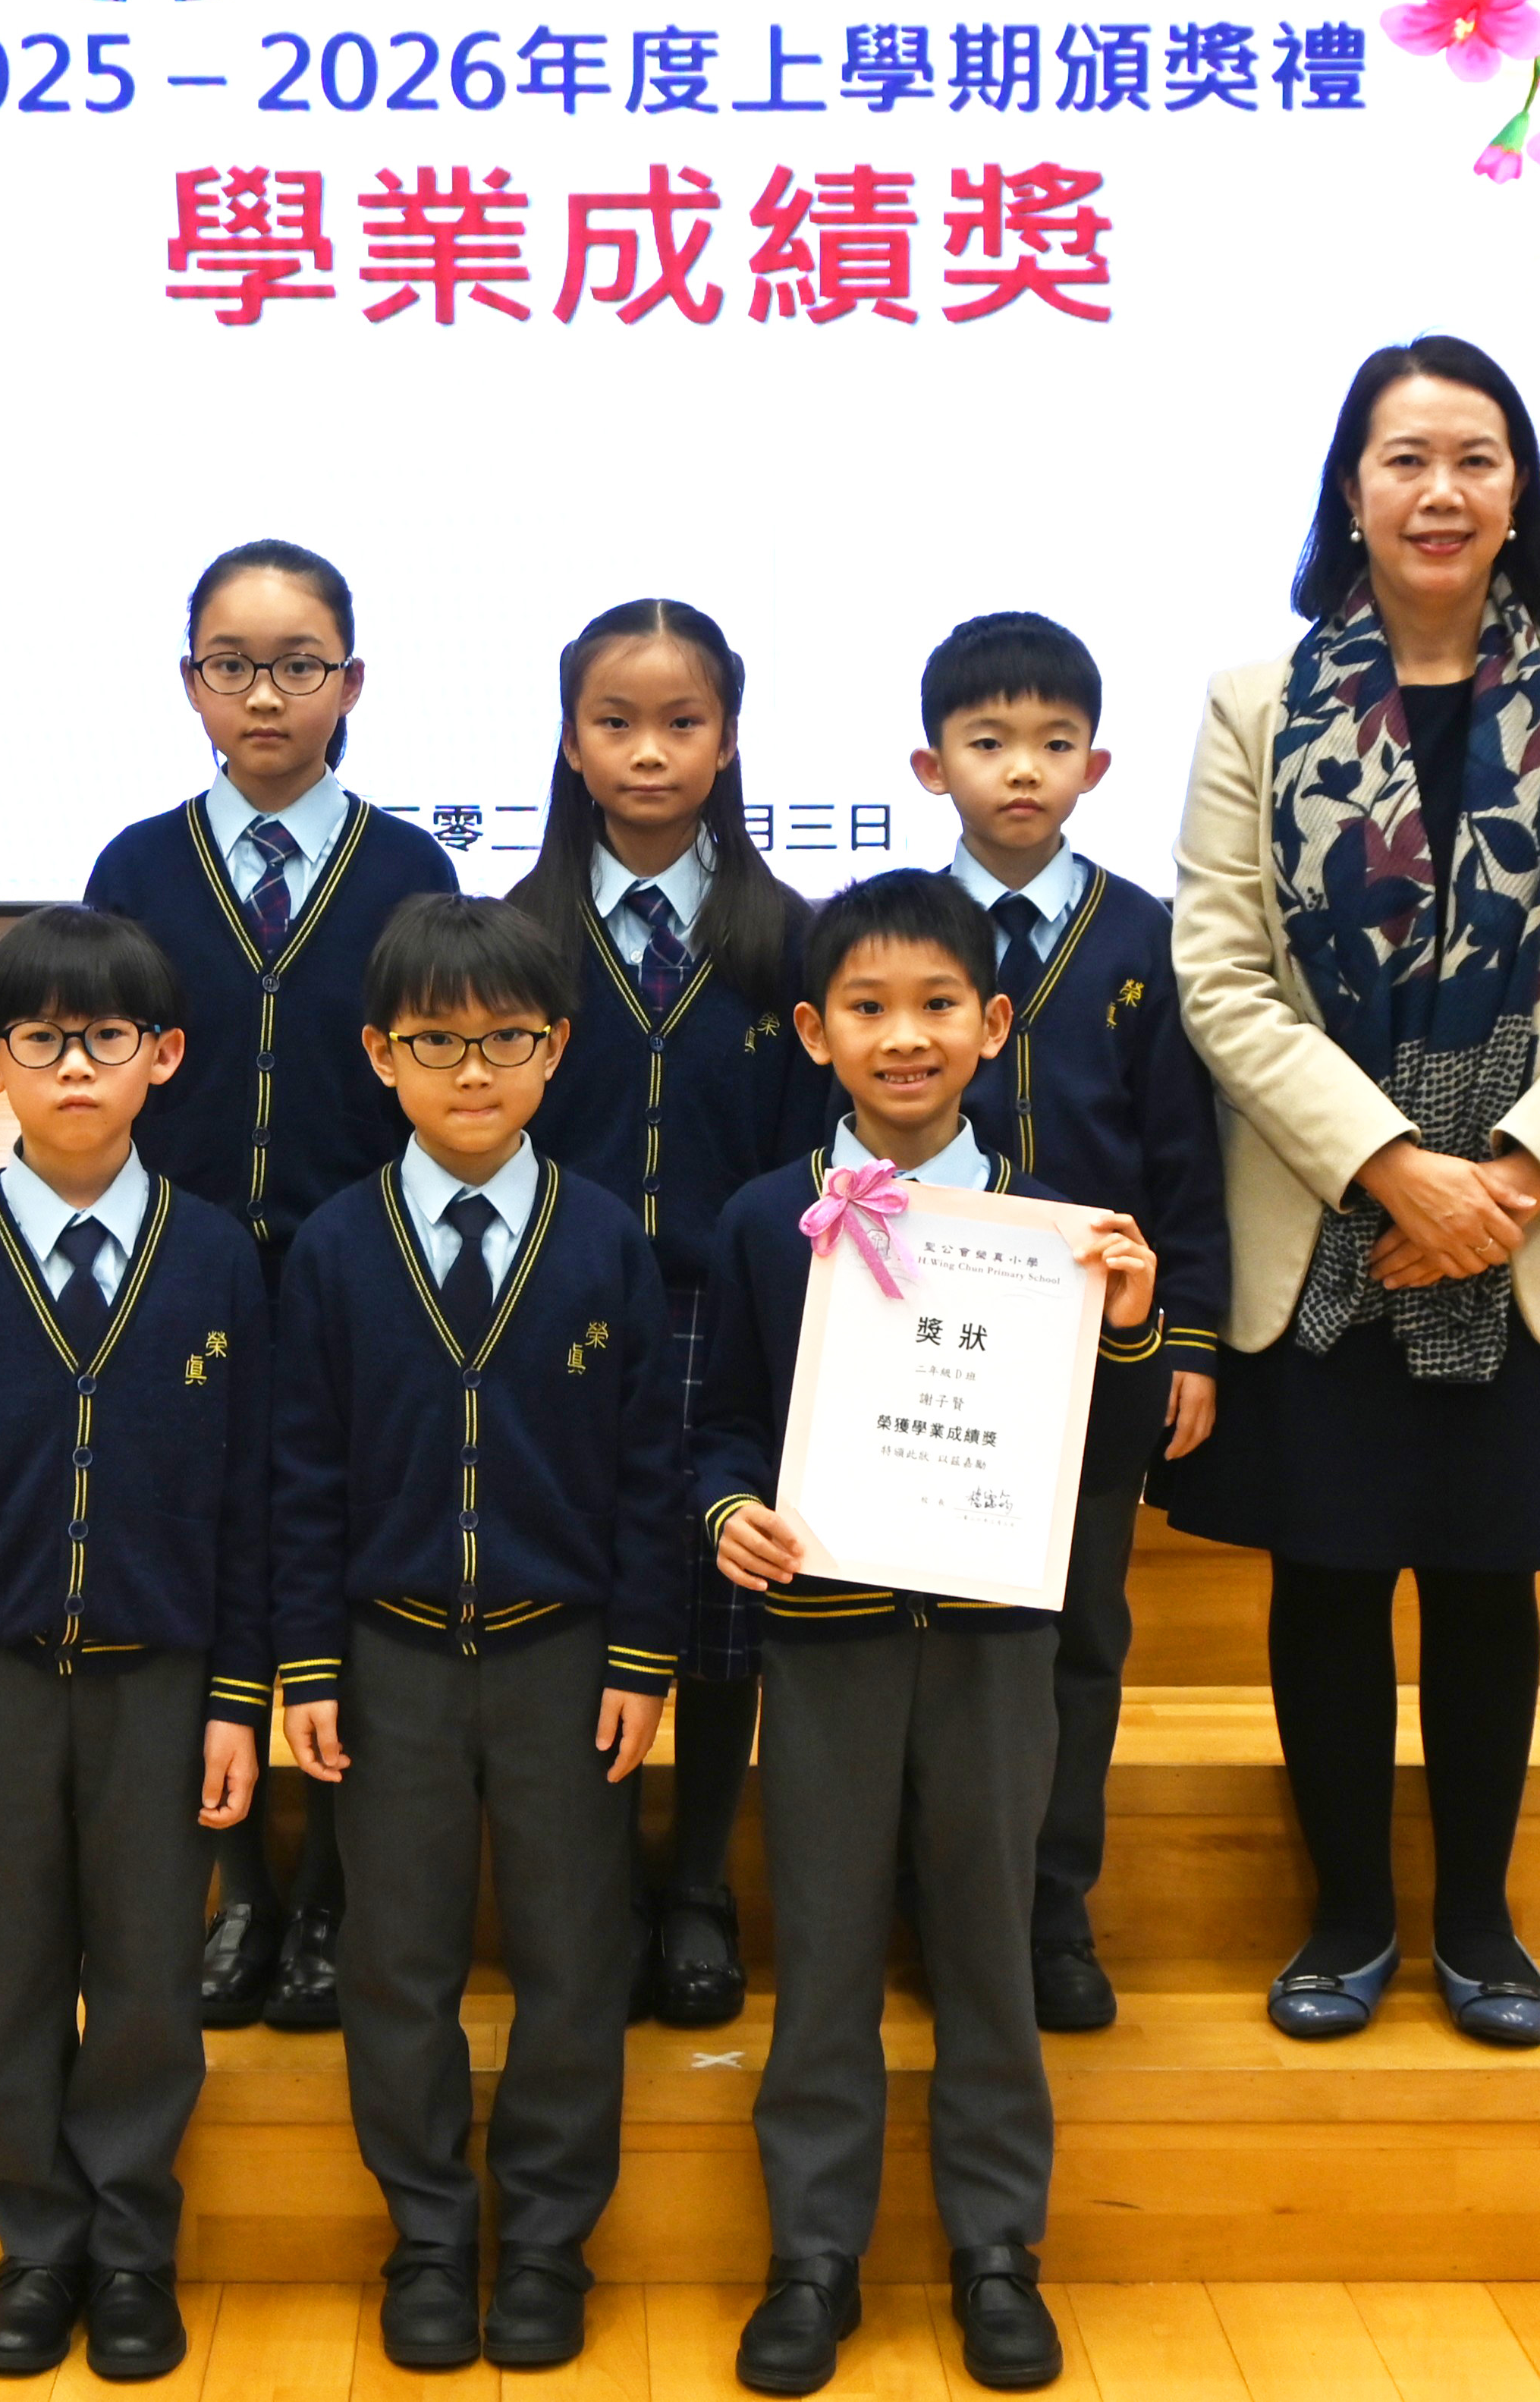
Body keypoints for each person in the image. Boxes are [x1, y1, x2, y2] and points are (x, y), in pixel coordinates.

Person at [1164, 335, 1540, 2051]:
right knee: (1325, 1582)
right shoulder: (1257, 704)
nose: (1440, 490)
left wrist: (1510, 1182)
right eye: (1404, 459)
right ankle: (1343, 1918)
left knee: (1484, 1581)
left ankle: (1477, 1920)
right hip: (1328, 1219)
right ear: (1351, 491)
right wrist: (1396, 1171)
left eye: (1475, 457)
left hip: (1522, 1236)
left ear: (1517, 491)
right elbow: (1218, 977)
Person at [695, 871, 1170, 2397]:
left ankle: (995, 2251)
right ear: (812, 1032)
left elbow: (1107, 1462)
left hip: (990, 1646)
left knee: (987, 1948)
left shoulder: (1054, 1232)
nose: (903, 1037)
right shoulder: (763, 1219)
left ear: (994, 1022)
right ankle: (811, 2255)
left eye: (936, 1005)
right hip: (825, 1643)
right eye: (867, 1008)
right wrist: (725, 1511)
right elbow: (716, 1424)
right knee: (824, 1951)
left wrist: (1130, 1328)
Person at [269, 894, 687, 2372]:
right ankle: (432, 2238)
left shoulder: (605, 1240)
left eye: (504, 1041)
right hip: (385, 1661)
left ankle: (550, 2244)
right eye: (436, 1043)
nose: (472, 1072)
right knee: (396, 1961)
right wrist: (306, 1663)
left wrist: (641, 1653)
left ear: (556, 1049)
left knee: (574, 1956)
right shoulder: (333, 1248)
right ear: (379, 1055)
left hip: (566, 1660)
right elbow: (299, 1474)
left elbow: (648, 1471)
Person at [0, 906, 271, 2385]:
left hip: (165, 1685)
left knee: (153, 1977)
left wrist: (236, 1695)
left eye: (107, 1037)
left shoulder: (216, 1256)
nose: (76, 1066)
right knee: (15, 1972)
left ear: (165, 1056)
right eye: (41, 1039)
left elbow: (250, 1499)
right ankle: (37, 2245)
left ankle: (133, 2247)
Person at [84, 539, 457, 2035]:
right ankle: (236, 1885)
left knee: (346, 1576)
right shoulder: (135, 870)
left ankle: (332, 1896)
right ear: (189, 683)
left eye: (297, 665)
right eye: (231, 665)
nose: (263, 695)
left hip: (358, 1279)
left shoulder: (409, 872)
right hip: (183, 1282)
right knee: (212, 1574)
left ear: (349, 683)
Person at [504, 597, 832, 2028]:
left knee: (717, 1611)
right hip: (550, 1320)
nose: (648, 751)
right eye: (615, 722)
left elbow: (815, 1158)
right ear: (571, 743)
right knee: (582, 1592)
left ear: (729, 738)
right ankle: (593, 1879)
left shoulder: (787, 940)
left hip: (726, 1317)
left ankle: (696, 1881)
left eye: (681, 722)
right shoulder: (515, 937)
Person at [910, 610, 1230, 2032]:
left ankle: (1050, 1910)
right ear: (931, 767)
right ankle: (937, 1901)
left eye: (1052, 743)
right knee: (934, 1640)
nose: (1021, 769)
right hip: (928, 1351)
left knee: (1078, 1637)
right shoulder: (895, 934)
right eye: (988, 742)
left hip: (1097, 1351)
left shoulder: (1145, 940)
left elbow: (1184, 1155)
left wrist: (1192, 1334)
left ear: (1096, 766)